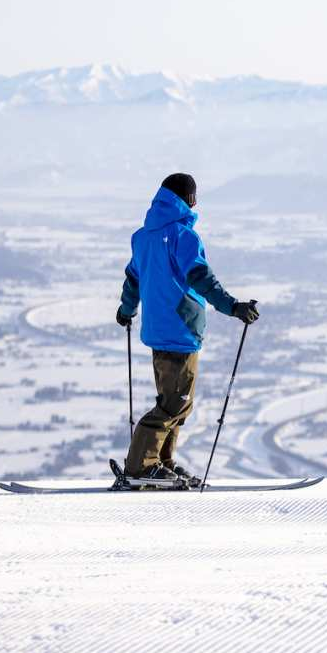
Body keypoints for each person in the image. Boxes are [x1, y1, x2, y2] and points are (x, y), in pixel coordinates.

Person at [115, 172, 258, 485]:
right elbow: (201, 279)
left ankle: (161, 462)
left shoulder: (142, 237)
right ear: (188, 199)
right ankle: (141, 466)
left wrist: (126, 311)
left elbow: (133, 281)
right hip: (180, 331)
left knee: (174, 400)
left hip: (157, 331)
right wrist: (233, 307)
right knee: (175, 403)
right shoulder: (183, 236)